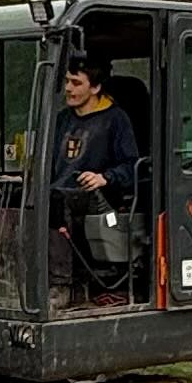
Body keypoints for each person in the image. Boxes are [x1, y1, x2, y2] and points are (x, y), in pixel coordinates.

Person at [51, 55, 139, 299]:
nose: (68, 88)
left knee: (56, 204)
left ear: (96, 87)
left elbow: (132, 166)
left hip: (100, 199)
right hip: (59, 192)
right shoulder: (61, 120)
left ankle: (60, 285)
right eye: (67, 81)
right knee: (15, 199)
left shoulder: (116, 120)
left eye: (76, 83)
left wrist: (105, 178)